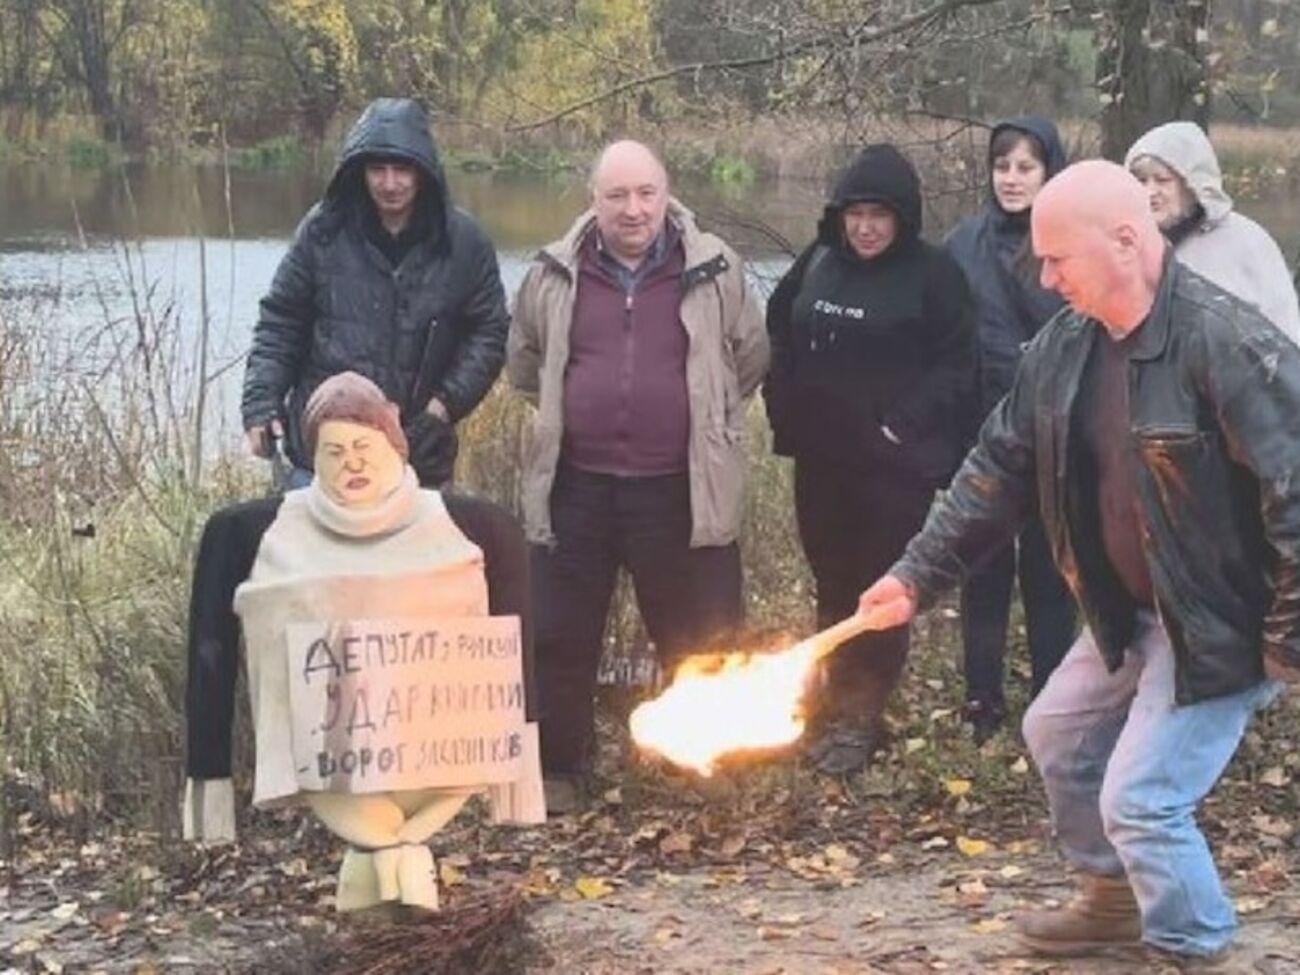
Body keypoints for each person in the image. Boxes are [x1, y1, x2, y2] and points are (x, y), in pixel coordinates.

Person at [858, 160, 1298, 964]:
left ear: (1127, 241)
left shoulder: (1226, 342)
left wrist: (1289, 639)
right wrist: (915, 577)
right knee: (1056, 730)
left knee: (1143, 797)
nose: (1045, 275)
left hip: (1218, 619)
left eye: (1059, 258)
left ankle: (1192, 945)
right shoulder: (1061, 349)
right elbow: (995, 471)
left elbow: (1296, 491)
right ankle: (1110, 898)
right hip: (1130, 610)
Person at [184, 373, 542, 909]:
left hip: (436, 755)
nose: (351, 462)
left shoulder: (471, 528)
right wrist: (208, 778)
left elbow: (515, 653)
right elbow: (209, 654)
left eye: (363, 447)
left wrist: (519, 771)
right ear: (314, 459)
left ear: (393, 447)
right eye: (333, 451)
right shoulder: (259, 533)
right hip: (326, 763)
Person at [507, 140, 769, 810]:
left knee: (700, 634)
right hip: (577, 487)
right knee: (557, 634)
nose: (633, 209)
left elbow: (748, 357)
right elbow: (525, 363)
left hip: (680, 487)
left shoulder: (715, 269)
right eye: (617, 195)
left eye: (645, 193)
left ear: (666, 192)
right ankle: (560, 771)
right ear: (592, 199)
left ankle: (708, 764)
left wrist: (693, 414)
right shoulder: (552, 273)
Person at [763, 144, 974, 774]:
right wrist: (784, 403)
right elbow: (781, 327)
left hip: (892, 468)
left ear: (902, 217)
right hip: (822, 460)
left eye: (879, 215)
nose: (865, 227)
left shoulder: (934, 275)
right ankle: (827, 701)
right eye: (855, 214)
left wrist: (898, 425)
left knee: (877, 593)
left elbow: (958, 364)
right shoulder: (819, 262)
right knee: (830, 582)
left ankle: (861, 715)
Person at [241, 97, 509, 488]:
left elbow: (490, 332)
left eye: (401, 170)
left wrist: (444, 406)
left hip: (416, 453)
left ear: (423, 173)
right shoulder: (322, 232)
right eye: (377, 170)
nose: (389, 183)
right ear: (358, 172)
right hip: (322, 452)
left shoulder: (464, 244)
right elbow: (280, 323)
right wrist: (260, 404)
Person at [944, 117, 1076, 743]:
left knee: (1052, 575)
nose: (1012, 179)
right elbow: (942, 338)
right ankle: (981, 699)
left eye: (1026, 166)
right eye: (1003, 166)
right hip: (981, 432)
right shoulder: (963, 243)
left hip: (1055, 437)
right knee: (984, 570)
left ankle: (1049, 701)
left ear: (1049, 170)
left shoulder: (1070, 241)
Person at [1125, 120, 1300, 343]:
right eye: (1140, 180)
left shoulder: (1247, 242)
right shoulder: (1127, 244)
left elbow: (1284, 330)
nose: (1150, 192)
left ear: (1191, 184)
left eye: (1162, 180)